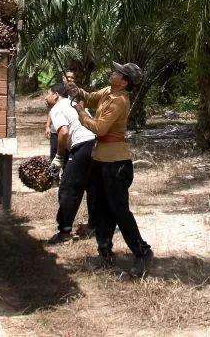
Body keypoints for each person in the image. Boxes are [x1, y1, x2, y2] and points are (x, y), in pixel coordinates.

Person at [70, 62, 153, 276]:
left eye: (118, 73)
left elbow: (100, 128)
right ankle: (105, 253)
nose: (113, 72)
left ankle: (142, 252)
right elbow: (90, 97)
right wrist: (77, 91)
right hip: (100, 159)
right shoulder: (108, 91)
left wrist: (81, 112)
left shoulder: (120, 101)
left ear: (124, 82)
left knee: (119, 210)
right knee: (100, 208)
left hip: (115, 163)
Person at [43, 83, 97, 244]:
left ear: (56, 95)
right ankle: (94, 226)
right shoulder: (74, 103)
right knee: (92, 187)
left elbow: (64, 132)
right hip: (95, 144)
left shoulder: (57, 108)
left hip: (82, 146)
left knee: (68, 188)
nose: (46, 97)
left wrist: (59, 156)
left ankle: (64, 232)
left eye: (48, 93)